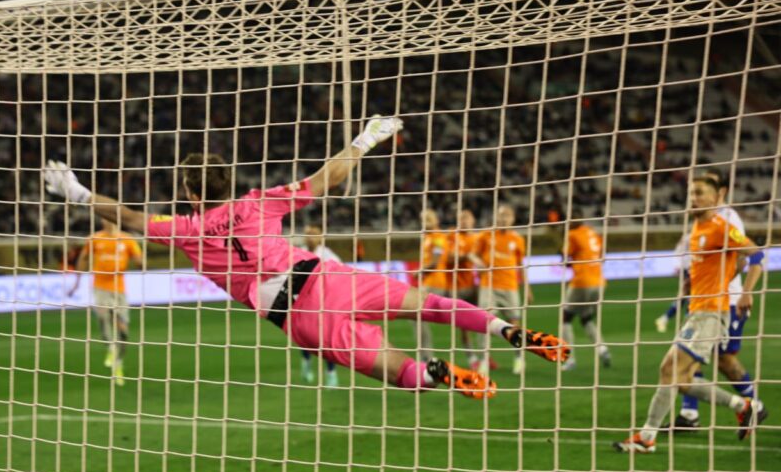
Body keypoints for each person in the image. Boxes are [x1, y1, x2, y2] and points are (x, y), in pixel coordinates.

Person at [44, 116, 569, 397]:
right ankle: (506, 329)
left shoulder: (186, 229)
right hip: (327, 275)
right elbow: (326, 179)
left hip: (299, 315)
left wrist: (78, 192)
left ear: (188, 190)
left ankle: (438, 375)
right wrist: (364, 139)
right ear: (229, 181)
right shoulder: (260, 202)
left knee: (395, 370)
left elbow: (130, 217)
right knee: (428, 304)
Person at [613, 175, 766, 453]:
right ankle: (743, 406)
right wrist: (692, 283)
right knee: (681, 381)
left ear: (715, 198)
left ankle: (646, 437)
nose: (693, 198)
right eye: (691, 193)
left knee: (670, 371)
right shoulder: (697, 228)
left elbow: (755, 255)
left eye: (699, 193)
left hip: (711, 313)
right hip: (697, 310)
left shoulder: (721, 226)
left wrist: (746, 292)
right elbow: (720, 264)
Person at [671, 168, 757, 430]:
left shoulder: (728, 218)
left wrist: (740, 289)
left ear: (720, 191)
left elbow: (745, 257)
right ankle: (689, 414)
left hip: (727, 301)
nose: (698, 194)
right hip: (702, 300)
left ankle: (754, 405)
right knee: (691, 355)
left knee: (724, 360)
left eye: (708, 186)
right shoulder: (701, 219)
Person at [68, 218, 142, 385]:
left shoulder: (127, 239)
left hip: (119, 289)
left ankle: (118, 363)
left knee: (123, 329)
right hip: (100, 286)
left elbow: (140, 260)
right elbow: (83, 258)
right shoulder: (95, 238)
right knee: (104, 317)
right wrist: (77, 282)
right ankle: (110, 349)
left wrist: (140, 263)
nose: (106, 221)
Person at [470, 204, 534, 374]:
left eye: (507, 215)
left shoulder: (517, 239)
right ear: (496, 217)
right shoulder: (486, 235)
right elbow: (472, 254)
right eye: (501, 215)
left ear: (513, 219)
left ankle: (519, 358)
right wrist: (478, 262)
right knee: (483, 322)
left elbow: (521, 265)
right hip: (488, 286)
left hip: (510, 286)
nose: (504, 219)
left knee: (514, 324)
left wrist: (527, 288)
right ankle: (483, 360)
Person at [561, 213, 611, 371]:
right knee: (585, 318)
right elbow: (602, 256)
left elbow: (565, 258)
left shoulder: (572, 234)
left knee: (565, 317)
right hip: (599, 282)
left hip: (582, 281)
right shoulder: (592, 232)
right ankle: (602, 349)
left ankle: (569, 359)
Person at [299, 224, 342, 387]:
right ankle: (306, 363)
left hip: (324, 300)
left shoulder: (327, 254)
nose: (311, 237)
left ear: (320, 237)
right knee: (305, 336)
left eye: (314, 234)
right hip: (304, 300)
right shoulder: (299, 252)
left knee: (327, 338)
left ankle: (331, 374)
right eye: (308, 234)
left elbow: (340, 272)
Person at [417, 208, 452, 361]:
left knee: (417, 315)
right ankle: (425, 354)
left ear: (436, 220)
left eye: (428, 219)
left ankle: (426, 356)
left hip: (435, 282)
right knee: (417, 317)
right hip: (427, 282)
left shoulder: (438, 238)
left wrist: (419, 271)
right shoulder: (427, 237)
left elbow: (435, 262)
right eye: (423, 220)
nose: (425, 223)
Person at [450, 209, 482, 369]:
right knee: (464, 325)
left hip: (477, 287)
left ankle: (484, 355)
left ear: (473, 221)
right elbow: (449, 258)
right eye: (461, 219)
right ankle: (472, 358)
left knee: (483, 320)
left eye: (467, 218)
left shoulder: (479, 238)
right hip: (458, 287)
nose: (464, 222)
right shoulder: (453, 236)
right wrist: (466, 256)